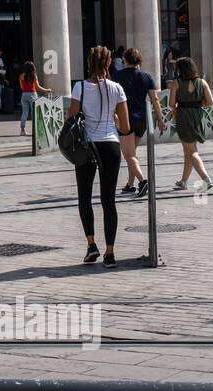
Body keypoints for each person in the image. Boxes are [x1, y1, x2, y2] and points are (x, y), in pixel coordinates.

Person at [68, 47, 129, 268]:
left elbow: (72, 118)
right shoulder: (117, 89)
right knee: (108, 200)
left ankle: (91, 245)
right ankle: (110, 253)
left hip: (87, 148)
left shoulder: (79, 87)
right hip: (111, 145)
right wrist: (111, 118)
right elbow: (125, 126)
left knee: (85, 197)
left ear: (88, 63)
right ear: (108, 63)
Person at [113, 48, 166, 198]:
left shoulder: (117, 76)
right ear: (139, 60)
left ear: (125, 59)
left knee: (128, 154)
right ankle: (130, 185)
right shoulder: (146, 77)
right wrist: (161, 119)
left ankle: (143, 181)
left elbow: (112, 98)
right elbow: (154, 99)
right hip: (142, 119)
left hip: (125, 119)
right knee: (132, 153)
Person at [169, 57, 213, 191]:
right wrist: (199, 103)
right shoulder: (202, 82)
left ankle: (206, 178)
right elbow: (211, 102)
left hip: (184, 116)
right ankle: (183, 181)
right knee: (188, 150)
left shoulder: (176, 83)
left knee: (192, 152)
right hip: (198, 116)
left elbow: (171, 104)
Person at [17, 61, 53, 137]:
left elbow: (21, 87)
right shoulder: (33, 76)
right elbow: (38, 87)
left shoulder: (21, 76)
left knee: (24, 113)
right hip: (32, 95)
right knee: (35, 114)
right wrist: (47, 90)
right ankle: (36, 131)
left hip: (24, 95)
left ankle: (22, 130)